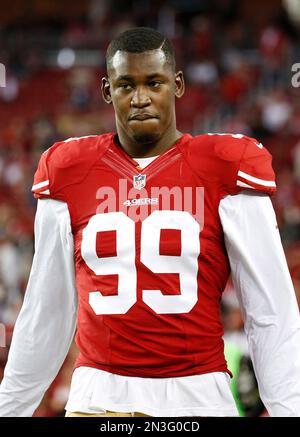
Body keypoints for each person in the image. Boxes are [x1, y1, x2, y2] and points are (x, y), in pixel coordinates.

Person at [0, 27, 300, 418]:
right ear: (108, 91)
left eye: (153, 82)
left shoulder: (226, 165)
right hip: (98, 399)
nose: (140, 98)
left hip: (198, 400)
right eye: (126, 85)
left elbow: (270, 310)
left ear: (176, 85)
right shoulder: (69, 170)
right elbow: (47, 312)